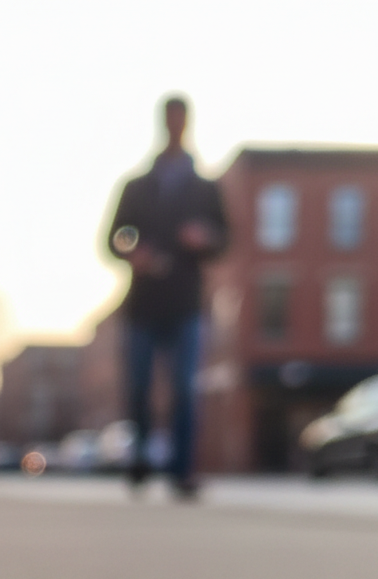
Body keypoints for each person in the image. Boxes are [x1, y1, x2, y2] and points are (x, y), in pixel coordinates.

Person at [106, 95, 228, 498]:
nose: (175, 125)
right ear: (163, 122)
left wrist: (204, 238)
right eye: (170, 118)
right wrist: (133, 252)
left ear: (187, 123)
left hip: (186, 302)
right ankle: (139, 460)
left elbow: (224, 239)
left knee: (184, 388)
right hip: (143, 303)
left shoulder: (205, 189)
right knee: (139, 388)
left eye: (180, 119)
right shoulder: (137, 187)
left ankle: (182, 470)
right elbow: (114, 238)